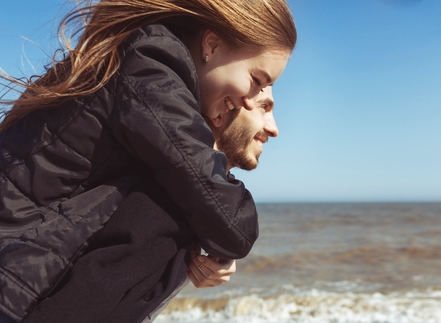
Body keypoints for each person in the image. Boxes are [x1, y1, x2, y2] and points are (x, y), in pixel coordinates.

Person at [0, 0, 296, 322]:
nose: (250, 99)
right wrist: (221, 235)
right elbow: (217, 203)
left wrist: (213, 240)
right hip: (14, 282)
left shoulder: (141, 57)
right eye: (256, 80)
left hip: (18, 269)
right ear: (211, 43)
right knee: (176, 202)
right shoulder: (151, 59)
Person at [19, 86, 278, 323]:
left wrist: (220, 243)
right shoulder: (165, 200)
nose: (273, 128)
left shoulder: (188, 199)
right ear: (222, 109)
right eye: (264, 108)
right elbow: (82, 300)